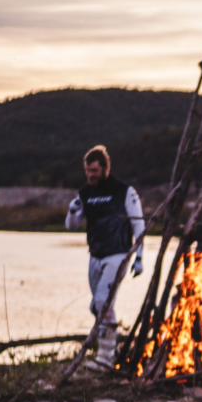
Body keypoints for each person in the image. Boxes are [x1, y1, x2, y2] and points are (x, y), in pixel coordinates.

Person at [65, 145, 145, 370]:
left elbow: (138, 224)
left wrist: (139, 257)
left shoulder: (124, 191)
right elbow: (71, 226)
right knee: (96, 306)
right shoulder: (85, 193)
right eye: (88, 171)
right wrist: (73, 209)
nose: (90, 175)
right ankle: (111, 349)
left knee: (103, 301)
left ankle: (106, 357)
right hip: (95, 255)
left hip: (118, 254)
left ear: (105, 168)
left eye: (94, 170)